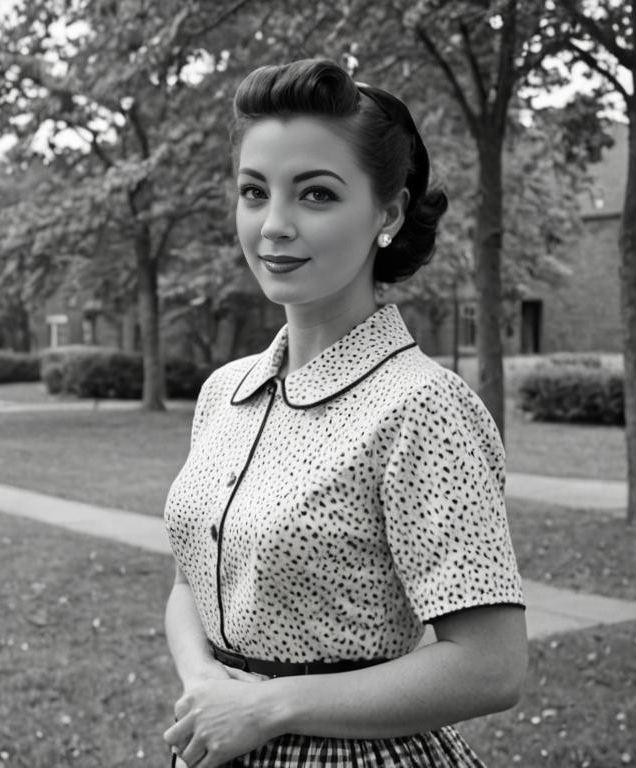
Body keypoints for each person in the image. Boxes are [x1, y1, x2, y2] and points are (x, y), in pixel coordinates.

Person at [162, 58, 526, 768]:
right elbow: (187, 585)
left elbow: (492, 665)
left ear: (387, 214)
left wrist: (268, 706)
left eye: (317, 195)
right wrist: (206, 684)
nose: (273, 226)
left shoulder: (422, 407)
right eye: (253, 192)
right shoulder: (224, 393)